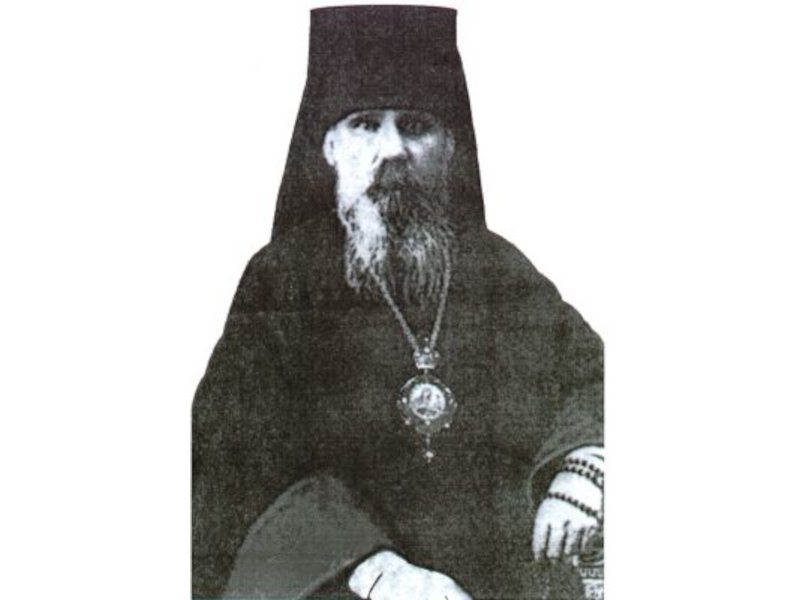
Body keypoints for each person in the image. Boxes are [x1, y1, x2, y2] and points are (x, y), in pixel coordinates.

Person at [192, 7, 603, 599]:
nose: (392, 150)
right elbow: (231, 460)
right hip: (345, 584)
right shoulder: (282, 279)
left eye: (414, 126)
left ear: (451, 147)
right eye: (366, 125)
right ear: (329, 146)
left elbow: (594, 375)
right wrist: (377, 570)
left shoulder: (497, 268)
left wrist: (582, 469)